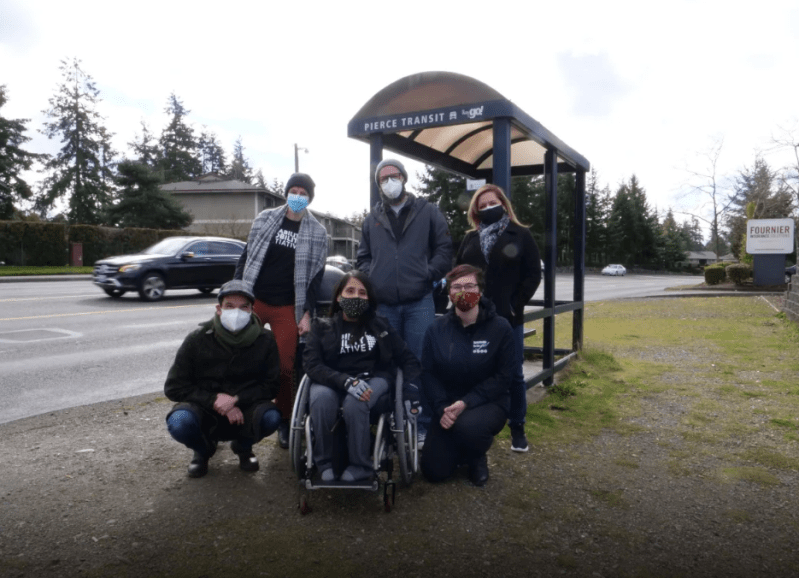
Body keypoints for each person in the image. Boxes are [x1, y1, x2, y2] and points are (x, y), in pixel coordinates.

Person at [356, 158, 452, 445]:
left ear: (404, 177)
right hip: (384, 305)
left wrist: (428, 274)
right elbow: (363, 257)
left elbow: (444, 248)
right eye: (383, 179)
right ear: (378, 185)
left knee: (420, 363)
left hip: (419, 302)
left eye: (393, 175)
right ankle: (392, 423)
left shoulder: (429, 211)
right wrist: (371, 279)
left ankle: (420, 424)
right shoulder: (371, 219)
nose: (389, 182)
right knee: (386, 364)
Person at [234, 173, 328, 449]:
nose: (297, 195)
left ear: (310, 197)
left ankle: (284, 421)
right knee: (238, 360)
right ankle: (234, 417)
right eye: (293, 190)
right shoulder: (264, 218)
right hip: (255, 299)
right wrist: (236, 293)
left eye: (303, 192)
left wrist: (307, 313)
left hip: (288, 305)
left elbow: (315, 280)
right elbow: (247, 256)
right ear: (287, 193)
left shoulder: (318, 232)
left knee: (285, 367)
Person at [302, 270, 422, 482]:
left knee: (357, 400)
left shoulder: (380, 325)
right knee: (320, 400)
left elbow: (408, 359)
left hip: (373, 378)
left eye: (362, 292)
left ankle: (361, 465)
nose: (356, 296)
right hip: (332, 379)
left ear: (369, 299)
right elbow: (312, 365)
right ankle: (324, 462)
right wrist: (345, 381)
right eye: (350, 290)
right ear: (339, 297)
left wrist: (411, 391)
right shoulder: (321, 326)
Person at [164, 280, 282, 478]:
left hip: (246, 409)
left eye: (244, 307)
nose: (237, 312)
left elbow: (271, 386)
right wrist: (214, 400)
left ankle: (243, 448)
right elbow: (174, 387)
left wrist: (236, 399)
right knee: (179, 422)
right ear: (219, 309)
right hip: (204, 409)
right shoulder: (198, 338)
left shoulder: (265, 340)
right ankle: (202, 451)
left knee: (271, 417)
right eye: (230, 306)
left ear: (252, 310)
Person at [456, 184, 541, 452]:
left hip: (507, 317)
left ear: (503, 204)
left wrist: (516, 304)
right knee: (471, 371)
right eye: (481, 205)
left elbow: (532, 274)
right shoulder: (470, 239)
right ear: (475, 211)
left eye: (492, 202)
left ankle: (518, 426)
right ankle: (473, 424)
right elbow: (457, 272)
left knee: (514, 374)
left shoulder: (521, 234)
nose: (487, 207)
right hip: (473, 317)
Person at [420, 264, 514, 486]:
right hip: (448, 405)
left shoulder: (500, 328)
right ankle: (458, 448)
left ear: (480, 291)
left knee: (468, 427)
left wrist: (466, 402)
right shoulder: (436, 329)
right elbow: (428, 373)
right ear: (450, 294)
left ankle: (476, 457)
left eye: (470, 285)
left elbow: (504, 376)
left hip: (487, 403)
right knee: (434, 472)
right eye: (457, 287)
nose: (463, 292)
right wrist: (442, 407)